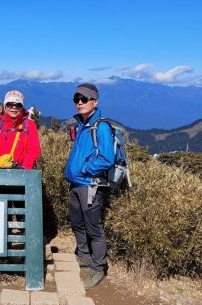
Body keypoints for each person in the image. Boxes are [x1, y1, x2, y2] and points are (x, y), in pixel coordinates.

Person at [64, 83, 114, 289]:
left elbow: (107, 158)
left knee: (94, 228)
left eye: (84, 99)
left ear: (95, 102)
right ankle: (84, 256)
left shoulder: (100, 126)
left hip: (90, 186)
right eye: (77, 99)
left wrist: (85, 169)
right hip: (76, 185)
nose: (80, 103)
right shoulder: (82, 124)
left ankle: (97, 268)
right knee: (77, 222)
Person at [0, 90, 41, 169]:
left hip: (21, 172)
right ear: (5, 107)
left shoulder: (29, 125)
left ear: (22, 107)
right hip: (0, 171)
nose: (14, 107)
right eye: (10, 104)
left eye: (18, 105)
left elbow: (34, 150)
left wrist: (25, 167)